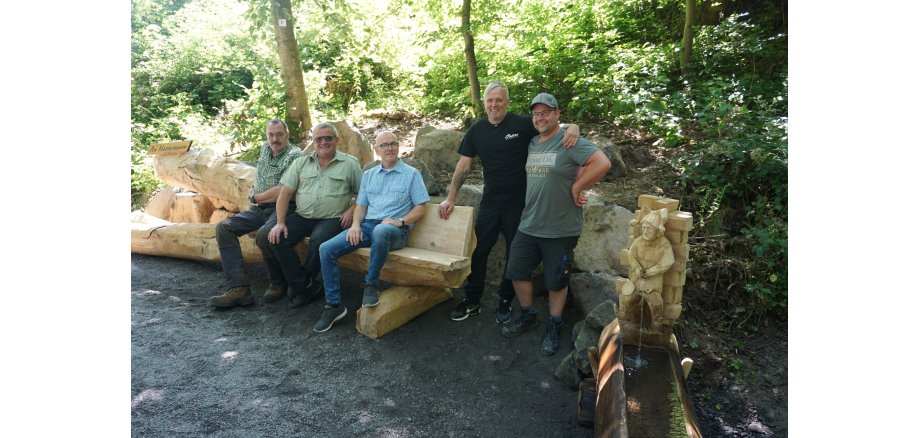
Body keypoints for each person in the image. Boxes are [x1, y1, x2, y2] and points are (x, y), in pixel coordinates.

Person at [439, 80, 580, 323]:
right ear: (484, 103)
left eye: (499, 100)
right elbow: (464, 165)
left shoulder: (522, 124)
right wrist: (450, 198)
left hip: (521, 204)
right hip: (491, 202)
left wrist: (574, 126)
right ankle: (473, 299)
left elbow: (551, 128)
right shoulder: (477, 131)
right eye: (490, 101)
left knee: (514, 254)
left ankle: (506, 299)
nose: (494, 104)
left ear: (507, 103)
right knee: (479, 249)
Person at [500, 93, 612, 356]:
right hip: (529, 223)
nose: (540, 117)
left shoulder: (569, 141)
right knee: (516, 271)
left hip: (560, 227)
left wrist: (579, 185)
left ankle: (554, 323)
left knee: (556, 281)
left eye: (545, 112)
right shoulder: (532, 144)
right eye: (536, 113)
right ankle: (528, 314)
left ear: (557, 114)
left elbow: (602, 162)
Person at [312, 131, 430, 332]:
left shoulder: (411, 174)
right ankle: (333, 306)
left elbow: (421, 207)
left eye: (393, 144)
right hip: (366, 227)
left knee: (382, 231)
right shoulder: (369, 175)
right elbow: (361, 206)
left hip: (394, 231)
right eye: (384, 145)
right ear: (376, 150)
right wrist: (356, 225)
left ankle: (371, 284)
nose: (389, 148)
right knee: (326, 248)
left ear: (398, 147)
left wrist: (400, 221)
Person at [266, 122, 363, 309]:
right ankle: (305, 285)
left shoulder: (349, 164)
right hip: (303, 216)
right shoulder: (301, 162)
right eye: (319, 139)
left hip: (333, 218)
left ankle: (300, 286)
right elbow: (285, 193)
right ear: (313, 141)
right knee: (276, 238)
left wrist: (351, 210)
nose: (323, 142)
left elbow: (362, 194)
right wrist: (279, 222)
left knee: (318, 241)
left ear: (337, 140)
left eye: (328, 138)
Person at [209, 118, 303, 309]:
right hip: (258, 209)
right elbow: (261, 174)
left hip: (283, 208)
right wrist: (253, 189)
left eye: (279, 134)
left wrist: (257, 197)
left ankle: (277, 282)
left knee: (266, 235)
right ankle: (239, 289)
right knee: (224, 227)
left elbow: (284, 189)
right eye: (271, 134)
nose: (274, 139)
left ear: (287, 135)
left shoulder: (295, 156)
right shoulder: (264, 148)